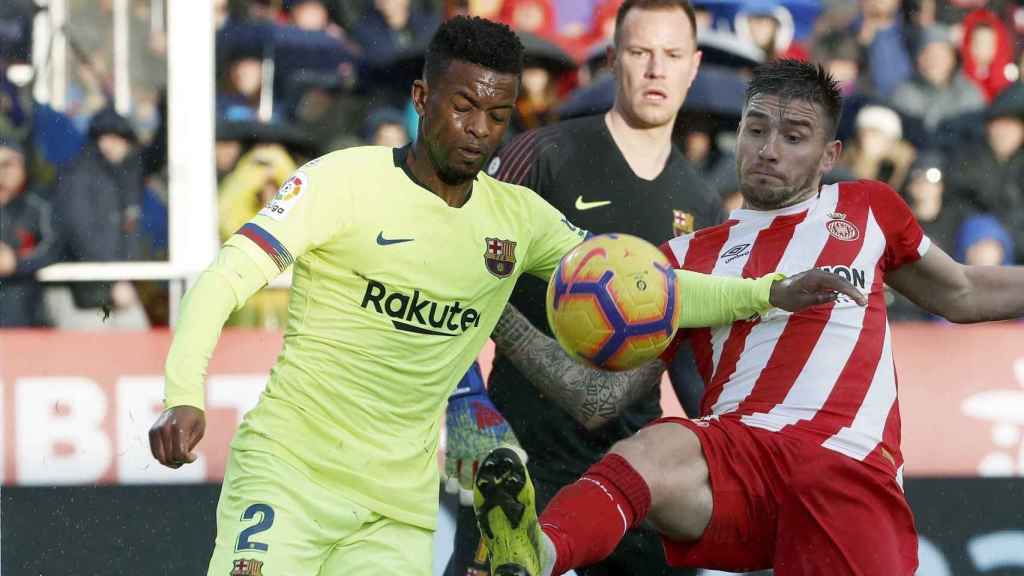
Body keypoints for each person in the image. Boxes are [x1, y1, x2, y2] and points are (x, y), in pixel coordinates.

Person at [148, 18, 856, 576]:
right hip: (289, 475)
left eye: (497, 114)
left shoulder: (518, 221)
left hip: (396, 506)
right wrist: (184, 392)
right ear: (423, 99)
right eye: (462, 108)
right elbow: (227, 275)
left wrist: (768, 292)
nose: (479, 130)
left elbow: (651, 292)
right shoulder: (342, 181)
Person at [473, 59, 1024, 576]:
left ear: (829, 154)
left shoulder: (865, 209)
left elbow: (963, 291)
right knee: (649, 450)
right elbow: (599, 400)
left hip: (846, 464)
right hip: (739, 457)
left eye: (793, 136)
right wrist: (495, 313)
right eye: (756, 130)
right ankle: (538, 553)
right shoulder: (679, 260)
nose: (768, 149)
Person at [445, 1, 721, 575]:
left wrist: (733, 449)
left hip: (632, 466)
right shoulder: (543, 156)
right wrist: (462, 401)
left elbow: (693, 363)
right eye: (641, 52)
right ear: (613, 58)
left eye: (671, 55)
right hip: (520, 457)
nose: (655, 70)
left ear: (692, 67)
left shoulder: (703, 204)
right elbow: (458, 279)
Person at [0, 137, 59, 327]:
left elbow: (53, 248)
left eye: (11, 164)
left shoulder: (37, 205)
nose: (5, 171)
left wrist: (16, 262)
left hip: (22, 305)